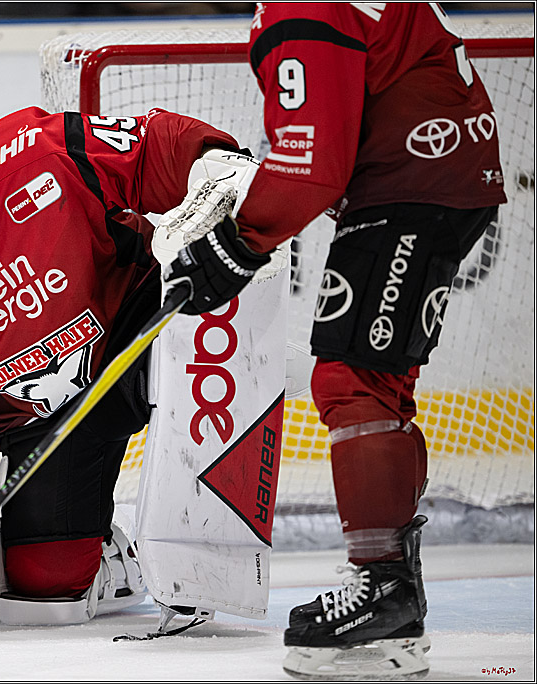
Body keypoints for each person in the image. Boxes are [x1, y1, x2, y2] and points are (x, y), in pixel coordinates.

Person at [0, 85, 267, 627]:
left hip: (135, 327)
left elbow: (151, 149)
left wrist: (213, 163)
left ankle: (193, 541)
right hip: (38, 415)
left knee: (199, 350)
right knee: (44, 588)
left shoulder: (37, 148)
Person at [169, 3, 507, 678]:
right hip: (434, 174)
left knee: (354, 380)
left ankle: (384, 593)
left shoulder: (303, 8)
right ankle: (394, 594)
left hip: (415, 182)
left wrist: (237, 245)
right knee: (377, 384)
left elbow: (310, 166)